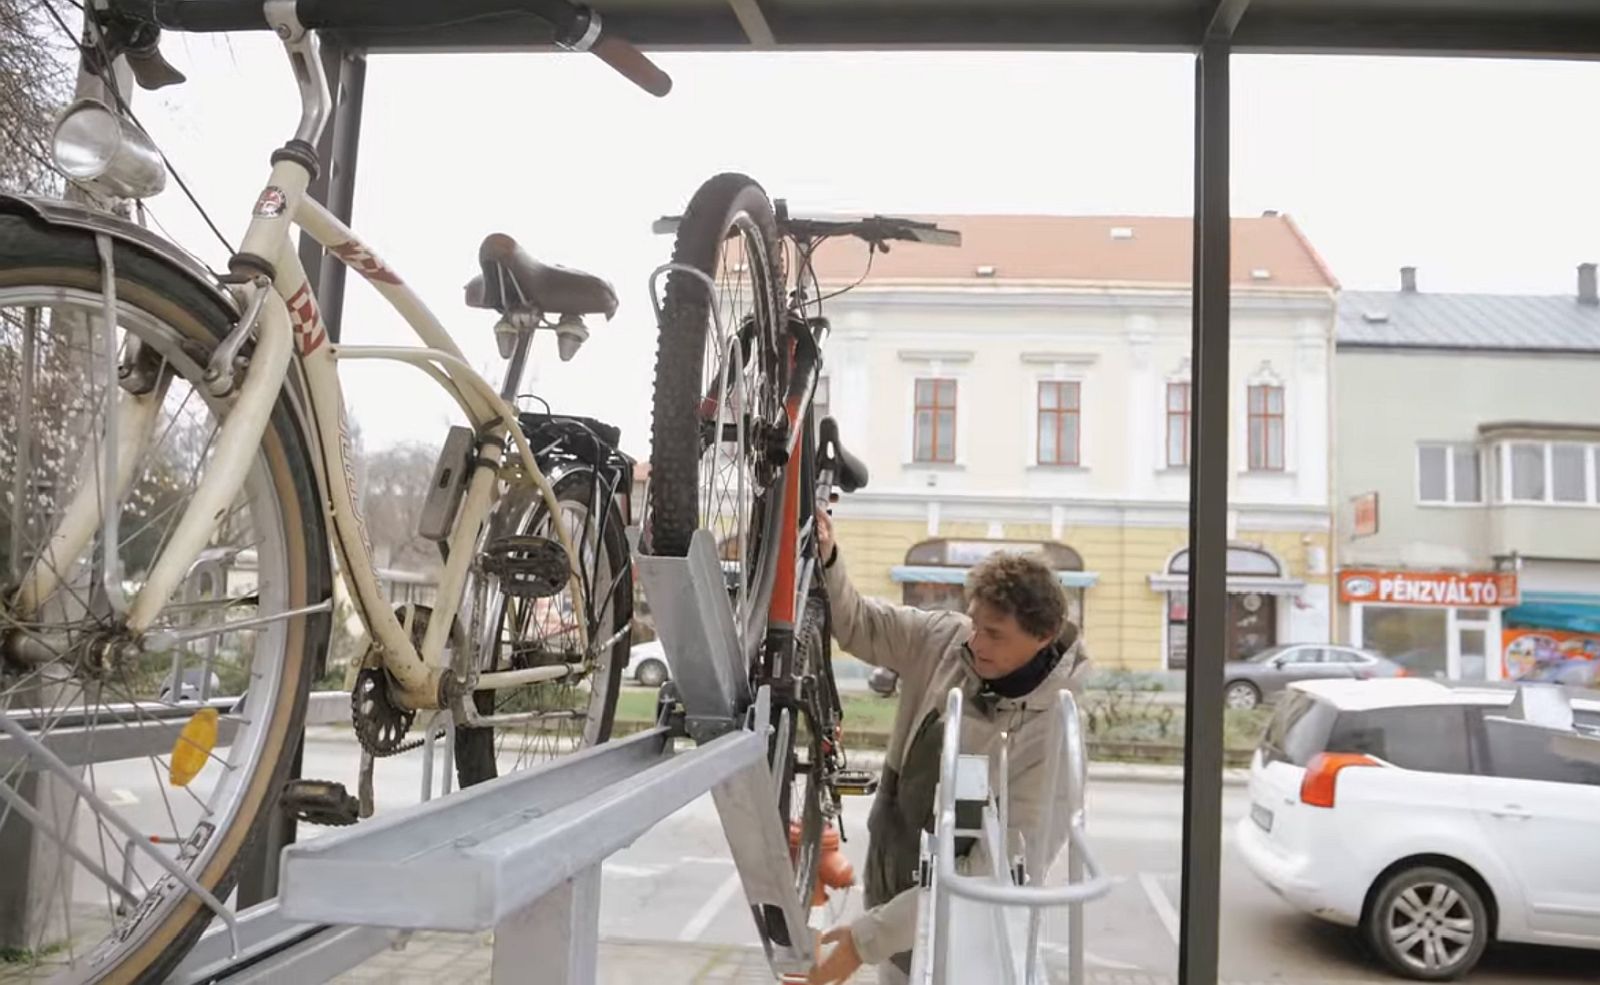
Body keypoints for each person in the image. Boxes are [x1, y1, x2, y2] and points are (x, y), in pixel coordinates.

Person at [808, 510, 1091, 985]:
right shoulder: (947, 639)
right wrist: (828, 558)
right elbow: (858, 623)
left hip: (969, 951)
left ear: (1042, 637)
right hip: (896, 918)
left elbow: (987, 879)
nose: (975, 642)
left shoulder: (1054, 736)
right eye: (975, 622)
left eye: (995, 633)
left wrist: (865, 939)